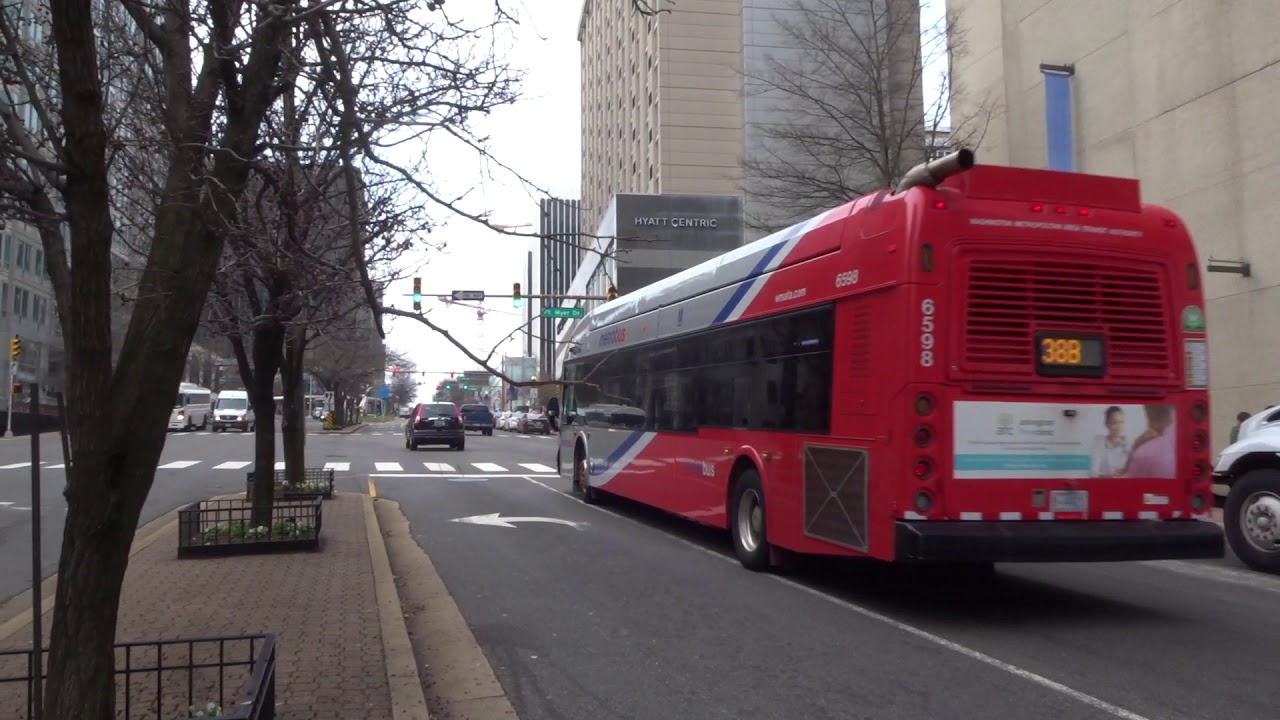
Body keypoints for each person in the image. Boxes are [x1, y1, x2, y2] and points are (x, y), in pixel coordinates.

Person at [1122, 404, 1176, 479]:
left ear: (1149, 414)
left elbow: (1124, 486)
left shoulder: (1144, 454)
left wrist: (1135, 447)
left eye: (1121, 422)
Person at [1089, 406, 1129, 477]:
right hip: (1104, 485)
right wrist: (1108, 476)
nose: (1118, 426)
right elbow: (1092, 474)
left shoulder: (1129, 443)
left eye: (1121, 422)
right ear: (1107, 424)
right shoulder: (1099, 442)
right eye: (1114, 423)